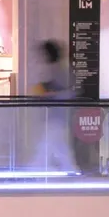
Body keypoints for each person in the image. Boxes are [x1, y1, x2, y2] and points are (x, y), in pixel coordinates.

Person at [34, 39, 79, 173]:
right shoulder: (59, 69)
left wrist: (49, 94)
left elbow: (68, 93)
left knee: (47, 146)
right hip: (56, 117)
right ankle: (72, 172)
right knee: (57, 147)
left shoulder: (61, 70)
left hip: (57, 117)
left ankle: (36, 172)